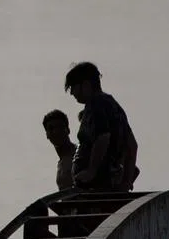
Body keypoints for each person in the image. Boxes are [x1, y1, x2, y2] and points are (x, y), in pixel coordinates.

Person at [64, 62, 138, 192]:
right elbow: (132, 145)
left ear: (86, 85)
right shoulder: (111, 104)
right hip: (108, 182)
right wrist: (126, 182)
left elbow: (103, 137)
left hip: (97, 185)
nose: (72, 93)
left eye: (73, 87)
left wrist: (91, 171)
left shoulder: (96, 104)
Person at [42, 109, 77, 191]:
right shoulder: (61, 162)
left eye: (60, 127)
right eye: (51, 128)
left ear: (68, 130)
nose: (56, 131)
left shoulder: (80, 154)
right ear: (47, 135)